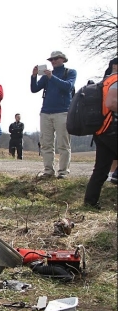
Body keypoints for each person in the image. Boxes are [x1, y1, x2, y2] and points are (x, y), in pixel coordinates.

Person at [31, 51, 77, 179]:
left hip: (63, 112)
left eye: (56, 59)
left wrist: (52, 77)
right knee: (46, 143)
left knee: (63, 143)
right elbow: (34, 89)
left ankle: (63, 172)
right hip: (46, 112)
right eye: (51, 59)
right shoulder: (46, 76)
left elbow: (68, 87)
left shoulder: (70, 72)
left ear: (63, 59)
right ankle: (48, 171)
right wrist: (34, 76)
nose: (53, 61)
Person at [84, 57, 117, 209]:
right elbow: (110, 103)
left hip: (100, 130)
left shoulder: (103, 82)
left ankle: (90, 202)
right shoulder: (115, 81)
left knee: (101, 169)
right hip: (113, 128)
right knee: (102, 169)